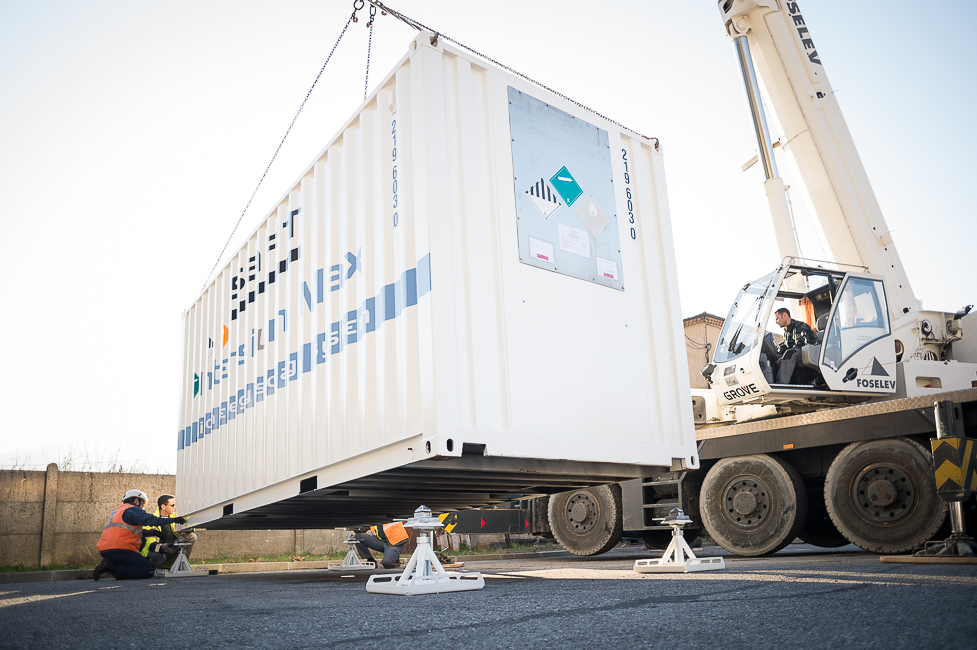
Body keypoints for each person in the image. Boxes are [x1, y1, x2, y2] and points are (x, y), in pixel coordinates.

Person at [93, 489, 187, 580]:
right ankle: (111, 568)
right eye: (142, 503)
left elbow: (126, 531)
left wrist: (153, 532)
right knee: (147, 571)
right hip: (122, 549)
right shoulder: (133, 509)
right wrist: (174, 520)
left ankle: (111, 561)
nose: (142, 507)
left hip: (106, 549)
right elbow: (151, 519)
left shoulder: (118, 511)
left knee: (134, 563)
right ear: (136, 501)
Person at [140, 493, 197, 570]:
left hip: (173, 549)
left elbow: (190, 531)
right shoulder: (151, 521)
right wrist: (165, 547)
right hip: (159, 552)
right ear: (163, 507)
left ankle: (179, 567)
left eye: (175, 505)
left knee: (192, 536)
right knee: (156, 556)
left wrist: (186, 528)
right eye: (172, 505)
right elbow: (150, 544)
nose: (175, 507)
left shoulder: (176, 518)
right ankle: (151, 571)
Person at [773, 307, 817, 384]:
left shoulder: (800, 326)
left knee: (789, 354)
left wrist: (783, 356)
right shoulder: (786, 332)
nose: (776, 322)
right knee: (773, 357)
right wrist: (778, 350)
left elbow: (800, 344)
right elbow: (788, 345)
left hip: (808, 351)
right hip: (799, 351)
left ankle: (781, 384)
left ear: (784, 315)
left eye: (777, 318)